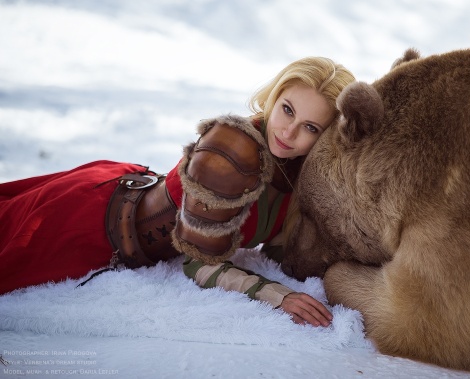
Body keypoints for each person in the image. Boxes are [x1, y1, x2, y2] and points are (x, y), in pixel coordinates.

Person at [0, 57, 355, 327]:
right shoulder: (233, 149)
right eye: (287, 110)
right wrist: (277, 296)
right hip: (94, 222)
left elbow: (284, 249)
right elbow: (198, 262)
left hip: (124, 185)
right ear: (274, 97)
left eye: (309, 126)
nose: (289, 133)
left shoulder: (298, 173)